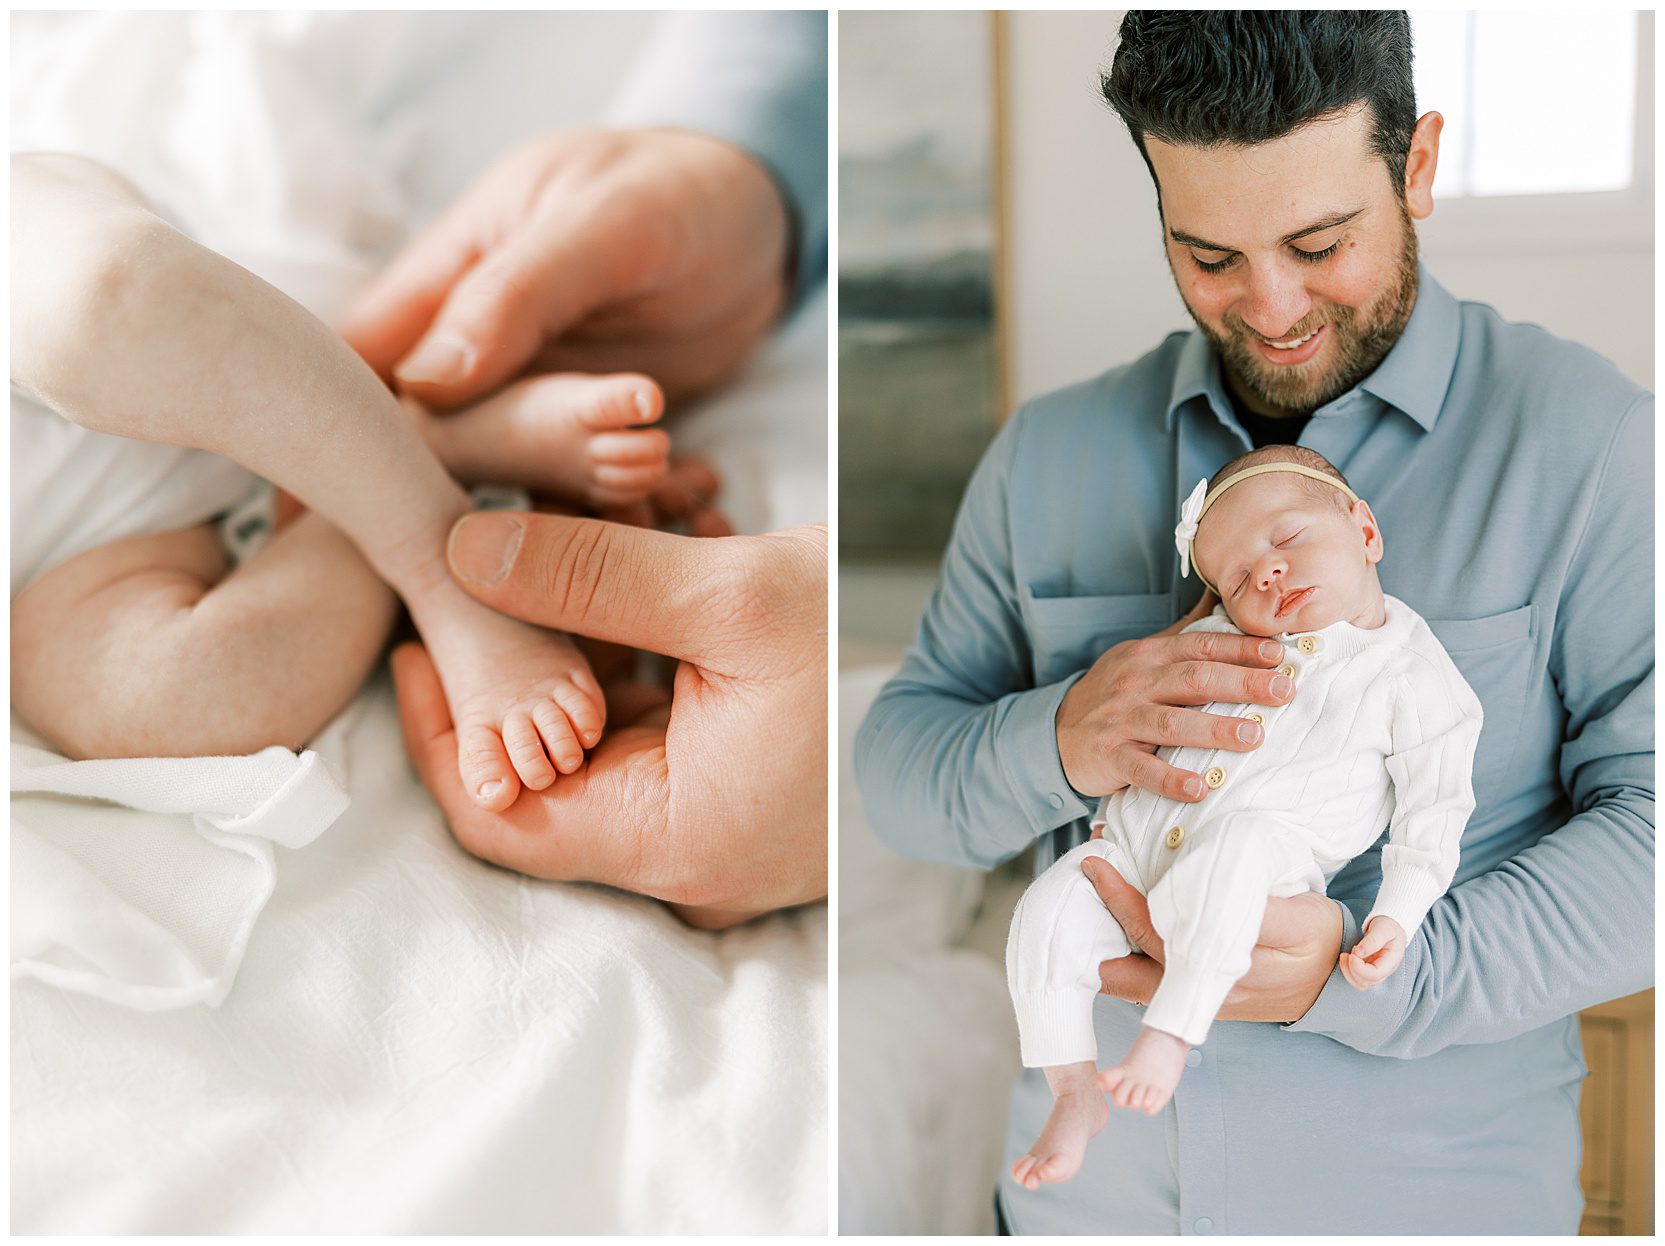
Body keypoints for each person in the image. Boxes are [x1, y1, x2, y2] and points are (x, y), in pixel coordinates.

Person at [855, 10, 1652, 1234]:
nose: (1270, 307)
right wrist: (1062, 735)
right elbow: (900, 780)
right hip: (1089, 1209)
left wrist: (1381, 970)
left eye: (1320, 242)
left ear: (1418, 167)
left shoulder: (1592, 444)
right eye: (1209, 255)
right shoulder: (1047, 457)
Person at [10, 153, 663, 809]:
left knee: (103, 304)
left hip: (75, 319)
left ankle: (433, 557)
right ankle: (429, 447)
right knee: (150, 702)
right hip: (80, 547)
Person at [1006, 446, 1481, 1190]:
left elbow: (1437, 801)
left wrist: (1398, 913)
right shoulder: (1212, 644)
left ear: (1365, 530)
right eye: (1234, 578)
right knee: (1045, 908)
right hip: (1133, 847)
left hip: (1270, 853)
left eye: (1286, 541)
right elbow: (1141, 729)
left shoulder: (1407, 670)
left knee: (1235, 846)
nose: (1263, 574)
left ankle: (1170, 1030)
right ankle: (1071, 1087)